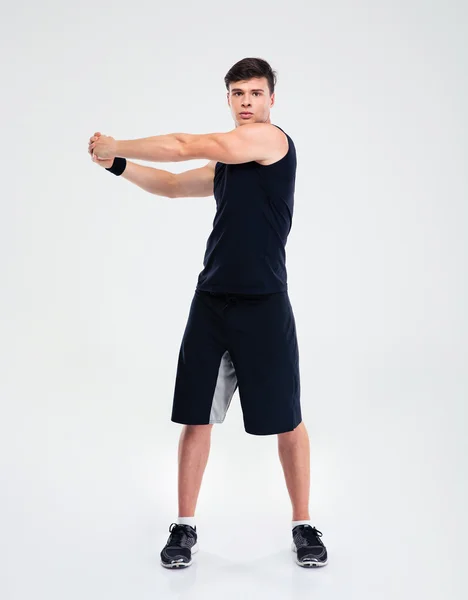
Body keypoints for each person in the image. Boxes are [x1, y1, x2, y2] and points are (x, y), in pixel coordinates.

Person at [88, 57, 328, 569]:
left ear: (271, 100)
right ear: (228, 98)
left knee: (288, 420)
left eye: (255, 93)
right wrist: (117, 166)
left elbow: (182, 146)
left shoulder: (272, 143)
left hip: (264, 305)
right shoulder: (227, 167)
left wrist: (119, 144)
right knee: (197, 418)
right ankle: (184, 526)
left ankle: (303, 523)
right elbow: (174, 184)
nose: (246, 102)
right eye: (238, 93)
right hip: (212, 302)